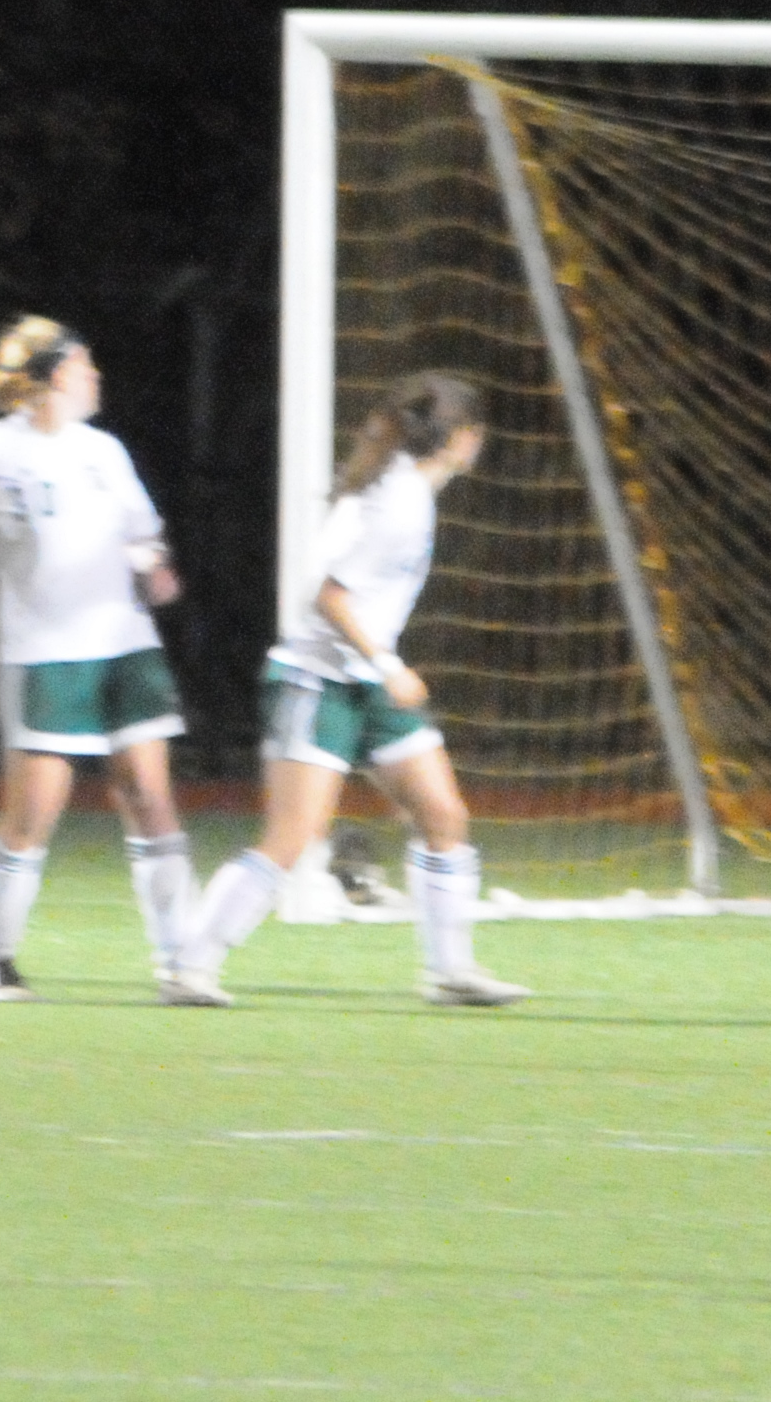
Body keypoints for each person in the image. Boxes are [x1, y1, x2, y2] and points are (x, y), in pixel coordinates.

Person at [174, 368, 532, 1009]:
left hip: (364, 682)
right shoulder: (398, 500)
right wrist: (388, 665)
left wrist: (380, 668)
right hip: (317, 680)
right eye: (474, 430)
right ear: (456, 436)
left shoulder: (404, 489)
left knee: (443, 816)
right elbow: (331, 596)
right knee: (293, 837)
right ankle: (190, 967)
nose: (479, 441)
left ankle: (451, 971)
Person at [0, 317, 195, 1000]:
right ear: (56, 375)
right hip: (44, 653)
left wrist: (154, 565)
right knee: (34, 812)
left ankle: (181, 960)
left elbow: (143, 533)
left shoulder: (103, 450)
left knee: (150, 797)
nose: (96, 376)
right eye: (85, 365)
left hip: (125, 644)